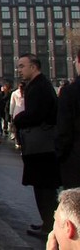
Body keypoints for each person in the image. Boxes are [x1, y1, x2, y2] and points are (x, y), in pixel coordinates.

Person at [13, 53, 61, 238]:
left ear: (34, 67)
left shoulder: (40, 86)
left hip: (42, 145)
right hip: (39, 144)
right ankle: (47, 224)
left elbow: (36, 114)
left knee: (44, 188)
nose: (19, 70)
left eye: (22, 66)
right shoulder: (36, 85)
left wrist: (19, 118)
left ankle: (50, 227)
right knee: (41, 187)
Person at [57, 49, 80, 189]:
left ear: (78, 61)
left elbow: (64, 130)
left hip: (75, 159)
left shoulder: (70, 92)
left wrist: (60, 155)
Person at [11, 81, 27, 150]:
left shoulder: (27, 92)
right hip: (17, 112)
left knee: (24, 128)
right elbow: (12, 103)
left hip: (25, 112)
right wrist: (11, 113)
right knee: (17, 129)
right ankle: (18, 142)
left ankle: (23, 141)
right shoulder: (14, 93)